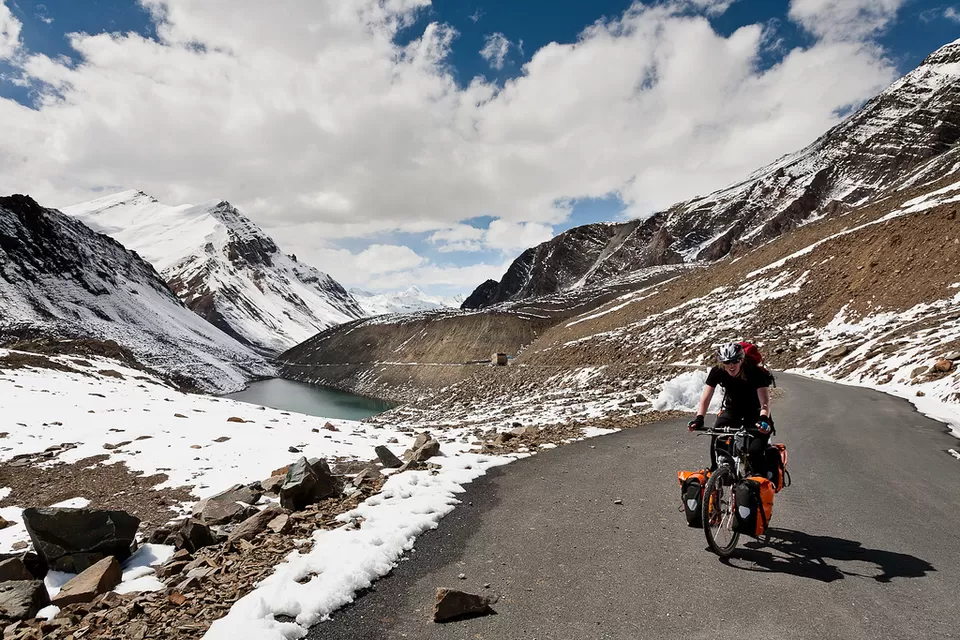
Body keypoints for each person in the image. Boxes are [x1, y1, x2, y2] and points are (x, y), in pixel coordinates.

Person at [686, 342, 774, 475]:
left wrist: (763, 418)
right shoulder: (717, 371)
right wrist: (699, 418)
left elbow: (765, 401)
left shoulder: (754, 372)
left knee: (755, 452)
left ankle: (760, 482)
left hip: (756, 413)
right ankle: (716, 469)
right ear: (722, 362)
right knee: (717, 436)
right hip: (732, 411)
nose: (731, 366)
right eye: (727, 362)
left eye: (735, 361)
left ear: (742, 359)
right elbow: (706, 397)